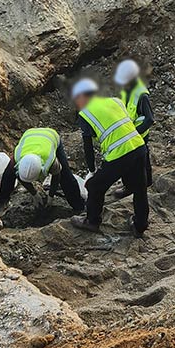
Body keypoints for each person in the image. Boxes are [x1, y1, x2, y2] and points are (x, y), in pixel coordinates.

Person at [68, 78, 150, 237]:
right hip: (139, 147)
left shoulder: (85, 113)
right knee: (140, 188)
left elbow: (88, 146)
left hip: (120, 153)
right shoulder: (115, 101)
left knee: (94, 186)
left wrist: (91, 171)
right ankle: (140, 225)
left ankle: (92, 221)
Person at [0, 127, 87, 214]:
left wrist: (51, 196)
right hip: (30, 135)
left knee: (66, 175)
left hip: (51, 136)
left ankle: (78, 206)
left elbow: (56, 176)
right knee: (8, 174)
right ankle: (1, 203)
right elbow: (20, 176)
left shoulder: (50, 160)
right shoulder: (17, 158)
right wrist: (34, 194)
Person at [112, 59, 154, 198]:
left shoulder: (141, 95)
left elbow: (149, 119)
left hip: (138, 135)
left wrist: (134, 133)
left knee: (134, 161)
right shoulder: (125, 92)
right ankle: (142, 182)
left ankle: (134, 186)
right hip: (130, 133)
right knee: (139, 159)